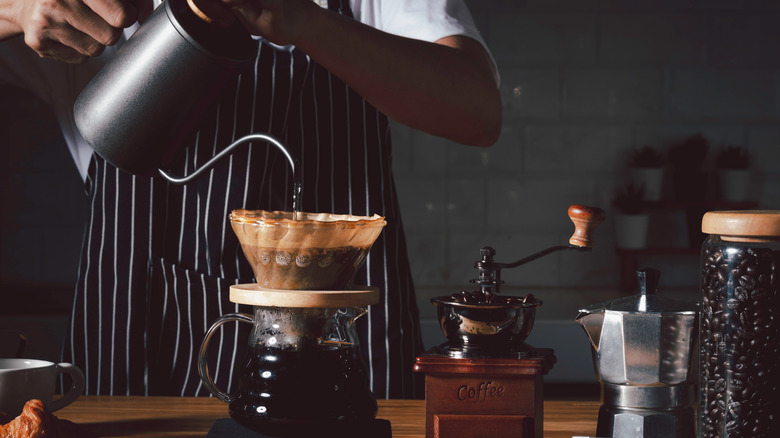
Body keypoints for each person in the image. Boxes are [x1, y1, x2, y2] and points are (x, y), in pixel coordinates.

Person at [0, 0, 500, 398]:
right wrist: (17, 9)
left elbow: (478, 111)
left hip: (339, 341)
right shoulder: (92, 10)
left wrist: (305, 21)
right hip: (142, 350)